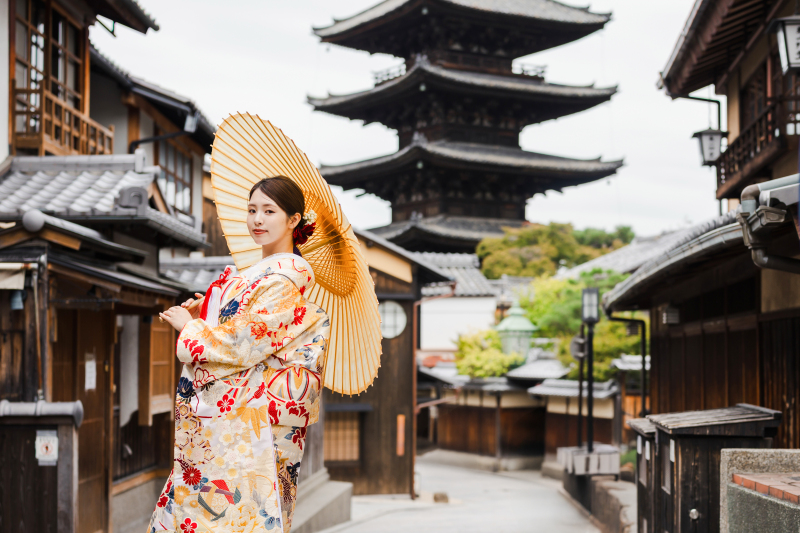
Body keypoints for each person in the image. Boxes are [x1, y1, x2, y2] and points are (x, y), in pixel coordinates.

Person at [150, 176, 329, 533]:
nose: (257, 220)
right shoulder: (260, 276)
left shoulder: (283, 280)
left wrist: (192, 328)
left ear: (294, 220)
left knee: (236, 515)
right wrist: (211, 311)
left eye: (269, 211)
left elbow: (242, 343)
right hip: (235, 421)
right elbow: (241, 330)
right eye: (251, 210)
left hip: (254, 427)